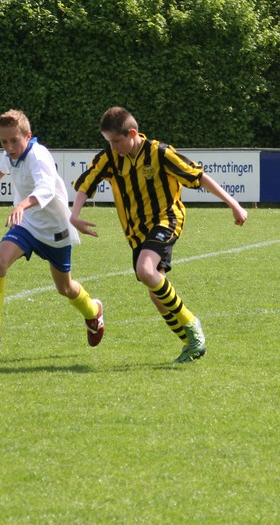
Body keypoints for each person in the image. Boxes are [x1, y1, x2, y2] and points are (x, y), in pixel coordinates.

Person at [70, 106, 248, 364]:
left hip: (167, 219)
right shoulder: (109, 157)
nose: (113, 147)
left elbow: (198, 177)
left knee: (145, 270)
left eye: (116, 141)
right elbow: (86, 184)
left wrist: (234, 204)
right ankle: (191, 345)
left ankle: (191, 323)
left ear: (132, 133)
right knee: (156, 295)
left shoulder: (159, 153)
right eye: (109, 142)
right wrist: (74, 215)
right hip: (136, 232)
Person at [0, 109, 104, 356]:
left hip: (54, 230)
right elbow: (3, 166)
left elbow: (46, 190)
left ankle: (93, 312)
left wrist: (21, 205)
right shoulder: (11, 152)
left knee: (65, 288)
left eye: (14, 141)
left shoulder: (38, 156)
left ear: (28, 136)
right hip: (27, 224)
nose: (9, 147)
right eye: (3, 142)